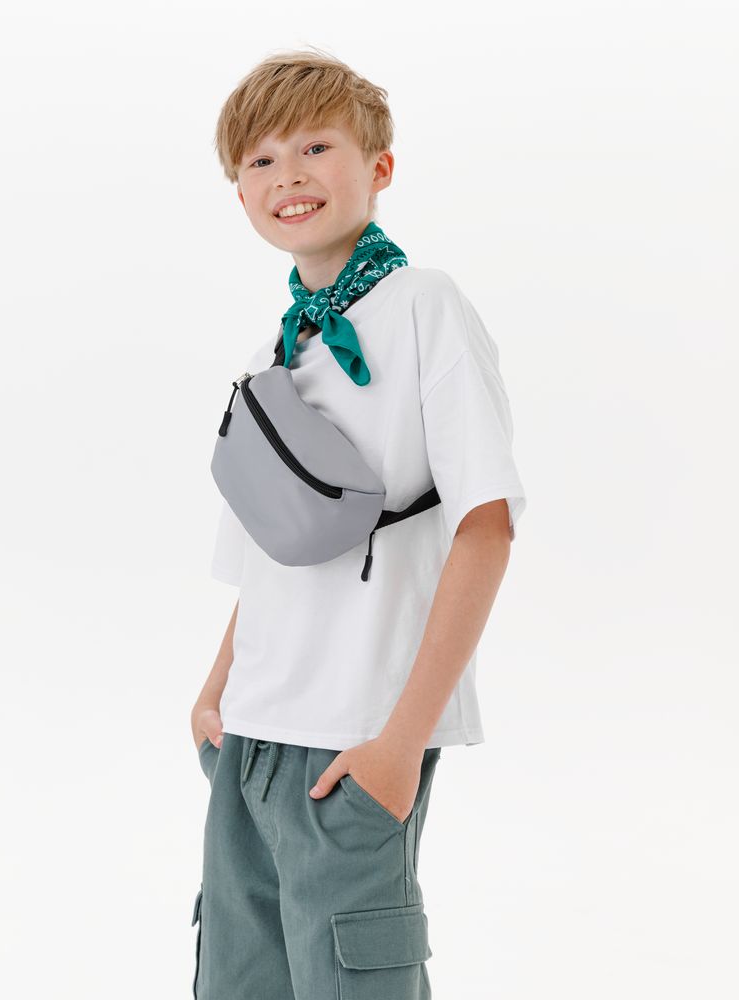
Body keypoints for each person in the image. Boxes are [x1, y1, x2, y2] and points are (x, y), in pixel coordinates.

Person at [189, 47, 527, 1000]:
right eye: (260, 160)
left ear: (379, 166)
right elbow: (267, 557)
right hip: (246, 739)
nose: (287, 175)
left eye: (315, 147)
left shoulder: (424, 306)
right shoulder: (274, 351)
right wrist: (213, 701)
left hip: (356, 742)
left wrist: (400, 745)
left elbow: (486, 526)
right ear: (240, 193)